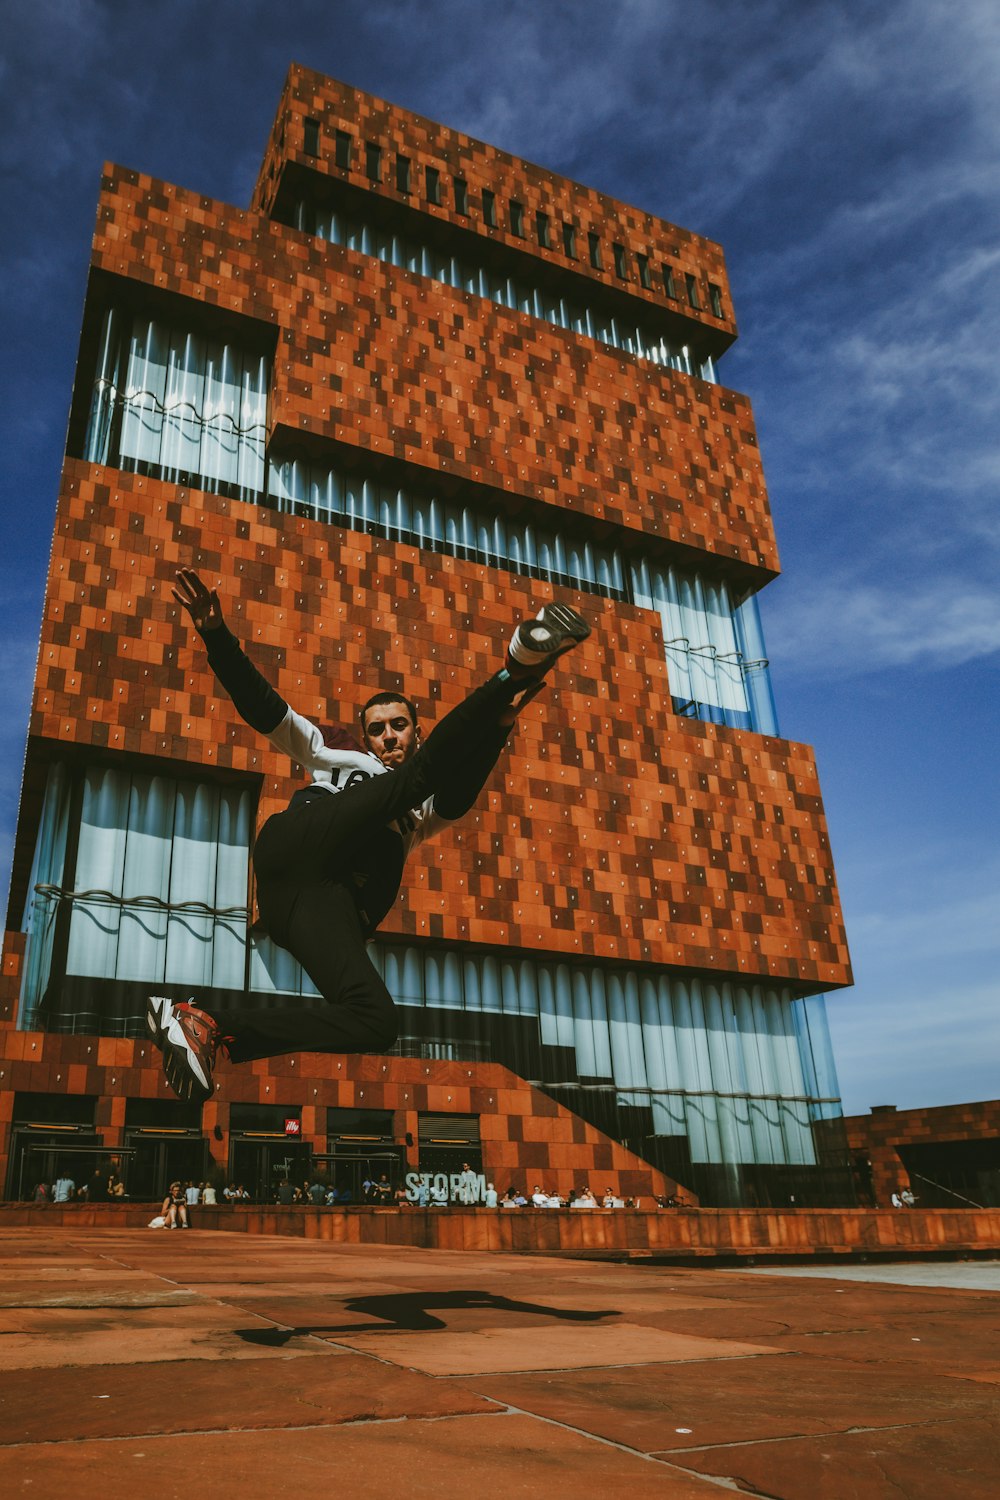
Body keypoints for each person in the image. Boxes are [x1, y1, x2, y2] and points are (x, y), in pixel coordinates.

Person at [147, 568, 589, 1101]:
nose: (386, 737)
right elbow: (263, 707)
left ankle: (205, 1023)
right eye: (377, 728)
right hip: (300, 844)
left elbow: (457, 791)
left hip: (316, 906)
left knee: (376, 1020)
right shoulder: (337, 752)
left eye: (398, 726)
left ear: (416, 730)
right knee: (414, 778)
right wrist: (216, 636)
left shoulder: (420, 811)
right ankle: (514, 665)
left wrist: (496, 732)